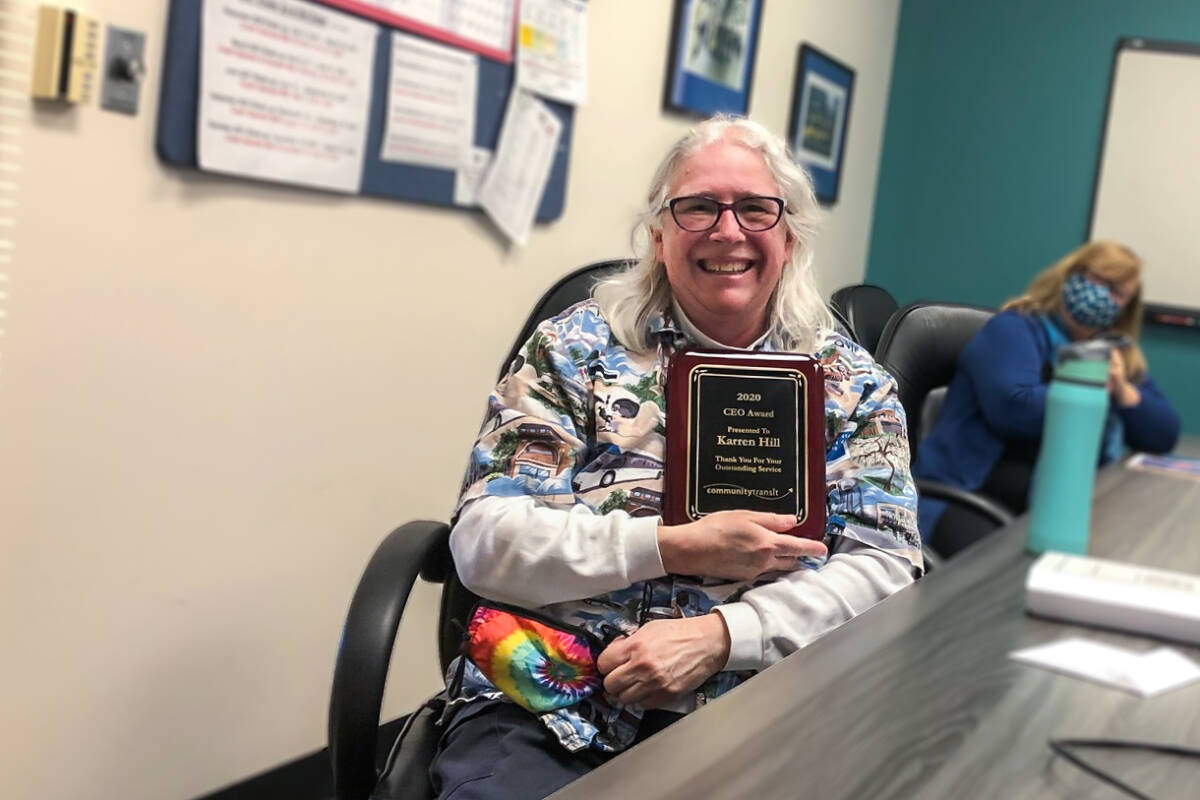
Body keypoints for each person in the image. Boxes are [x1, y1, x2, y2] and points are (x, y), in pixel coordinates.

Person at [427, 116, 923, 800]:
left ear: (789, 236)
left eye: (756, 208)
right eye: (698, 207)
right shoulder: (571, 352)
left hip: (757, 702)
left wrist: (725, 634)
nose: (728, 230)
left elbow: (886, 566)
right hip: (548, 697)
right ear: (659, 235)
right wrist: (668, 546)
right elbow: (483, 544)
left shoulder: (851, 384)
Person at [913, 240, 1181, 556]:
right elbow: (1013, 408)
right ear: (1071, 275)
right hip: (967, 495)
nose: (1104, 296)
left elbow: (1164, 433)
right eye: (1099, 281)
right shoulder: (1013, 329)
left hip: (1061, 501)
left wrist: (1122, 390)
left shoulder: (1113, 352)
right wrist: (1090, 389)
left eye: (1118, 293)